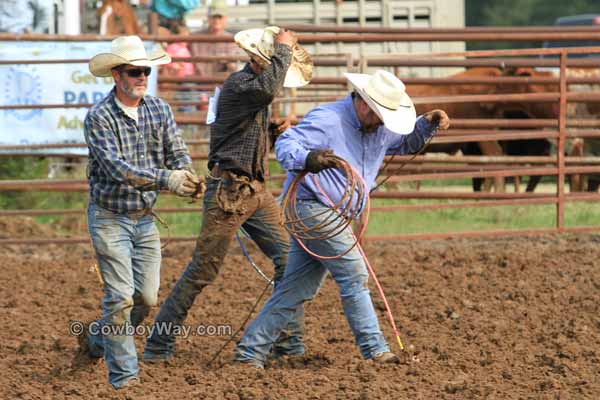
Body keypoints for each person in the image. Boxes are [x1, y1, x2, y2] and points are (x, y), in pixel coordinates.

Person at [234, 69, 450, 368]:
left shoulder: (379, 126)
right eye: (379, 114)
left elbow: (404, 143)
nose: (382, 123)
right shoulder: (328, 119)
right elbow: (286, 145)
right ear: (363, 102)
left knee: (295, 289)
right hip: (313, 207)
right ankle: (375, 350)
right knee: (354, 274)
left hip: (330, 213)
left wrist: (426, 124)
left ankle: (249, 353)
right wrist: (309, 159)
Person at [143, 26, 312, 362]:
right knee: (203, 270)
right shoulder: (242, 85)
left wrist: (269, 130)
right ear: (261, 59)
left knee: (288, 261)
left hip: (252, 191)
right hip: (230, 192)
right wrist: (283, 49)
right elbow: (266, 90)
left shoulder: (248, 87)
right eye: (276, 59)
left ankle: (287, 343)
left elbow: (243, 127)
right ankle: (158, 344)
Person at [78, 35, 203, 389]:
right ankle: (125, 380)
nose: (142, 77)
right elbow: (119, 170)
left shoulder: (159, 110)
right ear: (116, 75)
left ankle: (99, 340)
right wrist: (169, 179)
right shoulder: (99, 118)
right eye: (135, 72)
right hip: (110, 218)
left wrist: (186, 175)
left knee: (144, 299)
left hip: (144, 218)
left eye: (145, 71)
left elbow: (176, 150)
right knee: (119, 298)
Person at [190, 0, 240, 79]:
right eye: (213, 17)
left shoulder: (231, 40)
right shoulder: (194, 37)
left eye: (219, 17)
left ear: (225, 18)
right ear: (208, 18)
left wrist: (228, 62)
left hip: (220, 84)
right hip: (197, 82)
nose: (216, 21)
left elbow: (233, 68)